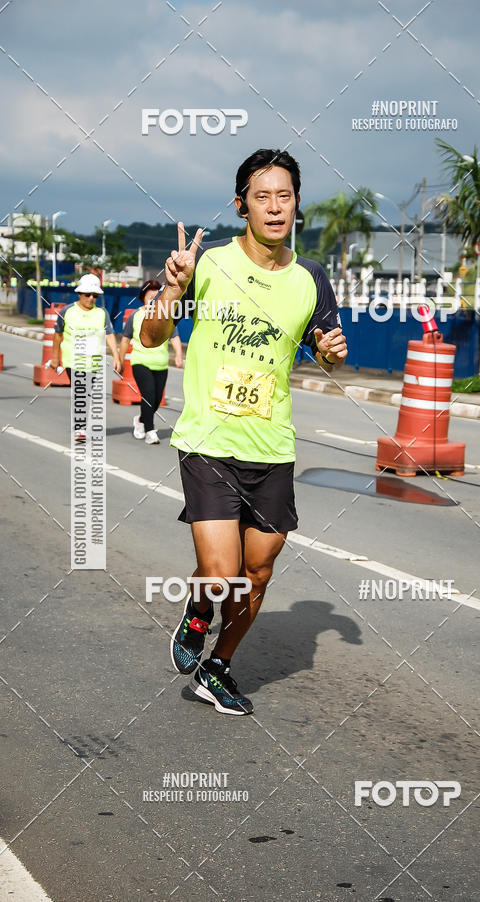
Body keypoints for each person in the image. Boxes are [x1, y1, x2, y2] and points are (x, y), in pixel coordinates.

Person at [141, 148, 347, 716]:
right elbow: (155, 337)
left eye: (285, 195)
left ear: (296, 204)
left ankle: (218, 666)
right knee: (222, 572)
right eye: (262, 196)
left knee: (256, 572)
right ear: (242, 206)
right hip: (209, 440)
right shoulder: (205, 264)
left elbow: (326, 352)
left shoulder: (312, 278)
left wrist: (331, 352)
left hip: (272, 446)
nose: (275, 207)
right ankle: (198, 610)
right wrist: (173, 291)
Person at [51, 273, 122, 442]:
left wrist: (116, 356)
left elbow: (110, 335)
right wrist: (55, 358)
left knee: (87, 393)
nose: (91, 298)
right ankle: (80, 428)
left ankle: (81, 425)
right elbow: (57, 335)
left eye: (95, 295)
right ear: (79, 294)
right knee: (80, 391)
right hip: (72, 361)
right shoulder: (67, 311)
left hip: (94, 362)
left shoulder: (102, 313)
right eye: (87, 294)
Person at [119, 279, 183, 445]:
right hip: (140, 362)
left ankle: (140, 419)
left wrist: (178, 355)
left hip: (161, 364)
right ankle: (150, 431)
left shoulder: (164, 316)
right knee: (148, 395)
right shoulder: (136, 315)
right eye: (150, 298)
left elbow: (174, 337)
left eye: (157, 298)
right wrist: (119, 359)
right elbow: (125, 340)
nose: (153, 302)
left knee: (155, 400)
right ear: (143, 298)